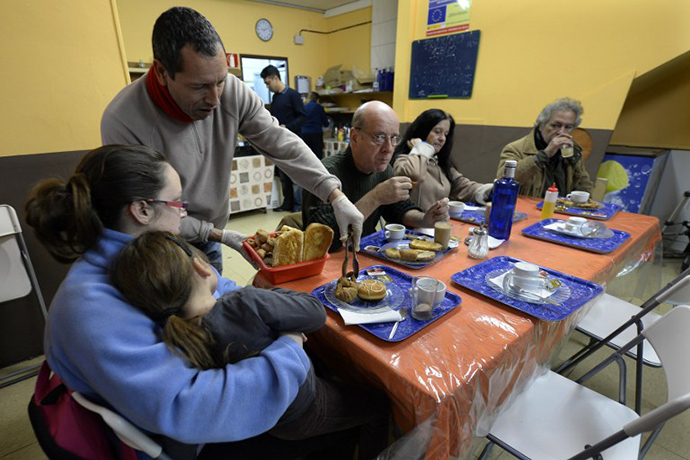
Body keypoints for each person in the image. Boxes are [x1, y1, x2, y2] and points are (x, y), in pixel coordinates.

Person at [24, 145, 363, 459]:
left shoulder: (140, 253)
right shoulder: (93, 308)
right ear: (141, 209)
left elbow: (218, 290)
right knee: (357, 413)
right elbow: (191, 408)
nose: (183, 216)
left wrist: (257, 304)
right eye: (177, 205)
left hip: (197, 405)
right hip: (189, 442)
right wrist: (287, 349)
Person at [101, 7, 362, 272]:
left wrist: (335, 194)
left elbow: (280, 142)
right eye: (199, 86)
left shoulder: (232, 93)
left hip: (211, 236)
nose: (215, 99)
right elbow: (145, 212)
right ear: (161, 72)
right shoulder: (124, 120)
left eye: (220, 81)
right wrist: (217, 234)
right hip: (157, 247)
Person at [112, 231, 390, 459]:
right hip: (304, 408)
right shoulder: (245, 302)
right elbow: (314, 313)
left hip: (261, 420)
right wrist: (268, 299)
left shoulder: (174, 338)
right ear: (201, 266)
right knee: (378, 405)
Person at [303, 101, 450, 251]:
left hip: (365, 255)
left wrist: (424, 219)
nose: (388, 149)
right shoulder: (325, 174)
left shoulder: (383, 170)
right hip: (331, 262)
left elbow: (399, 209)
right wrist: (376, 197)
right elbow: (321, 240)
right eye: (379, 137)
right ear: (354, 137)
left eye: (394, 138)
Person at [392, 109, 493, 210]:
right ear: (423, 131)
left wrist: (492, 189)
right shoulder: (403, 159)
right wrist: (421, 148)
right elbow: (414, 174)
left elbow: (463, 186)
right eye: (437, 132)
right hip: (411, 223)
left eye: (445, 134)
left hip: (435, 223)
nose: (442, 138)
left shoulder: (439, 163)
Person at [497, 97, 593, 198]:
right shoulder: (516, 149)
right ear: (541, 125)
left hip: (559, 209)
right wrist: (544, 155)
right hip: (525, 209)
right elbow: (503, 181)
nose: (561, 132)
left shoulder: (572, 152)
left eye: (568, 127)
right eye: (555, 125)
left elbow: (585, 188)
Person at [261, 64, 307, 212]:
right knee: (284, 177)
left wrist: (287, 128)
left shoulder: (293, 95)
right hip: (278, 143)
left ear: (276, 78)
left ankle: (298, 207)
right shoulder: (275, 98)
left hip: (293, 142)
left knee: (295, 178)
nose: (267, 86)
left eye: (268, 83)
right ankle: (287, 204)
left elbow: (302, 117)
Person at [302, 92, 329, 159]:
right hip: (316, 134)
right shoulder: (319, 108)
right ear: (317, 100)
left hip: (304, 134)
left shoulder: (303, 107)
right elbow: (326, 123)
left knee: (306, 155)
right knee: (317, 156)